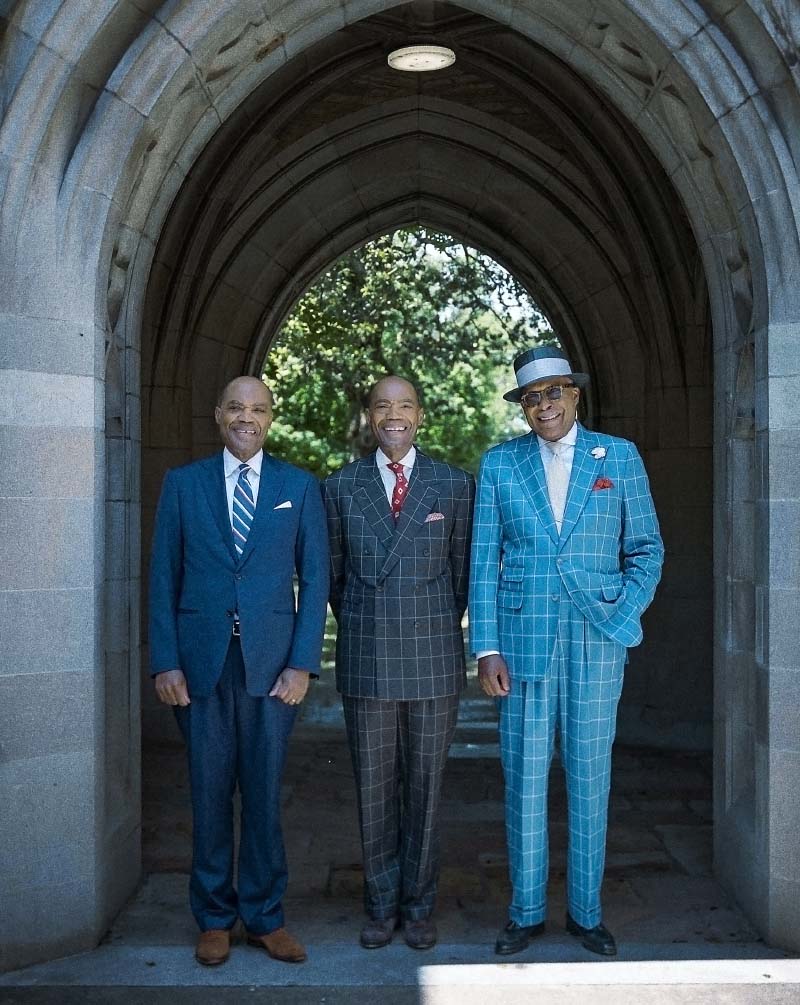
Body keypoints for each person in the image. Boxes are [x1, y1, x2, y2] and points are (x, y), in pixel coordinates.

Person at [469, 347, 663, 957]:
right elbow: (483, 562)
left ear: (575, 395)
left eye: (554, 392)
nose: (544, 405)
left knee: (589, 777)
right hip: (521, 644)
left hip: (597, 640)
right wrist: (486, 648)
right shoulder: (500, 464)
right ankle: (525, 912)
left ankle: (586, 912)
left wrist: (621, 617)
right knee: (524, 780)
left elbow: (647, 550)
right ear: (523, 406)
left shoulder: (618, 457)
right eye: (532, 397)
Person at [148, 376, 329, 967]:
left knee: (263, 796)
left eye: (258, 409)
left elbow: (316, 580)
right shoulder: (183, 484)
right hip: (201, 665)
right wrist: (165, 661)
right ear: (218, 414)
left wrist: (302, 664)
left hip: (272, 670)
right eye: (235, 408)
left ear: (271, 418)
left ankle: (265, 917)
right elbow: (162, 577)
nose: (246, 418)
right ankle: (213, 918)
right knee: (208, 793)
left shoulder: (298, 487)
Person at [323, 376, 475, 951]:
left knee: (427, 790)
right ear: (369, 415)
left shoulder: (454, 485)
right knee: (374, 790)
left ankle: (418, 906)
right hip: (368, 657)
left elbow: (462, 578)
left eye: (405, 405)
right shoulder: (340, 487)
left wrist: (427, 621)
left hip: (433, 657)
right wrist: (373, 620)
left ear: (420, 415)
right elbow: (335, 579)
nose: (394, 415)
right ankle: (381, 905)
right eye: (383, 406)